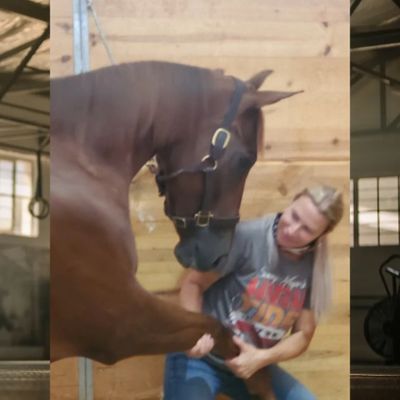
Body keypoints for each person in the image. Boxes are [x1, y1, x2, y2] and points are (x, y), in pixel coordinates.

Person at [163, 185, 344, 400]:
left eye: (307, 229)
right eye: (294, 216)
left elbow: (303, 334)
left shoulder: (314, 266)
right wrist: (194, 333)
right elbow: (193, 283)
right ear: (291, 203)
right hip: (202, 358)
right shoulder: (248, 236)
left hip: (251, 367)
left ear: (321, 235)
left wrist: (262, 358)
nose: (292, 230)